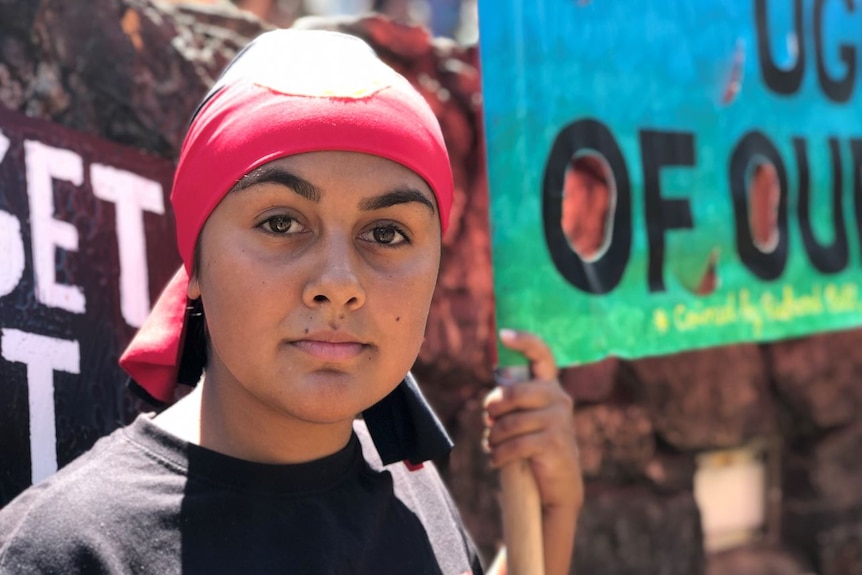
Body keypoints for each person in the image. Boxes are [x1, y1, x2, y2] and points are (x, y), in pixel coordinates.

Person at [0, 29, 581, 574]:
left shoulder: (416, 497)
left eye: (386, 234)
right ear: (196, 261)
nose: (338, 281)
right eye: (281, 222)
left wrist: (551, 518)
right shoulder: (71, 549)